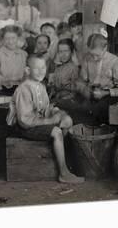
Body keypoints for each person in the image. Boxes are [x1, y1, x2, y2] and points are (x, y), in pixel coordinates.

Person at [7, 54, 84, 184]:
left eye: (43, 67)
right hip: (23, 127)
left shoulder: (40, 86)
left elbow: (45, 108)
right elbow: (24, 121)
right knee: (56, 131)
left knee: (67, 121)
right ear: (27, 70)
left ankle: (63, 161)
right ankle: (63, 173)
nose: (41, 71)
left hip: (37, 122)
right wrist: (50, 121)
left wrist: (57, 112)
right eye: (36, 68)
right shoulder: (24, 89)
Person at [77, 33, 118, 125]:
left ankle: (100, 134)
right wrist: (84, 88)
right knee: (77, 106)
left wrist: (104, 93)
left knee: (99, 109)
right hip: (92, 93)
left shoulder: (114, 61)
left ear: (105, 48)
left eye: (97, 55)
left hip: (109, 95)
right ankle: (85, 133)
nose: (94, 58)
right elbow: (82, 80)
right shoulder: (87, 58)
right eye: (91, 54)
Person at [0, 25, 27, 90]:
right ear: (3, 39)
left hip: (20, 91)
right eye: (7, 38)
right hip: (1, 92)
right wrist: (2, 82)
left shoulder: (24, 54)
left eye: (13, 38)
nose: (10, 42)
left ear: (18, 38)